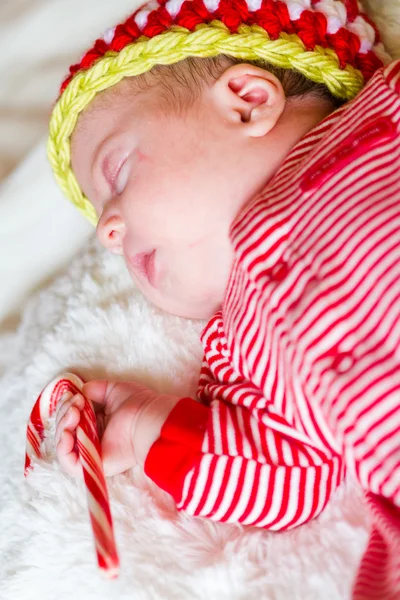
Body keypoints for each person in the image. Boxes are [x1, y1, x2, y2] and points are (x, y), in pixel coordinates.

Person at [48, 0, 399, 597]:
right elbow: (287, 479)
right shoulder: (239, 344)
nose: (108, 233)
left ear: (248, 102)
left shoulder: (379, 128)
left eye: (117, 174)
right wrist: (143, 428)